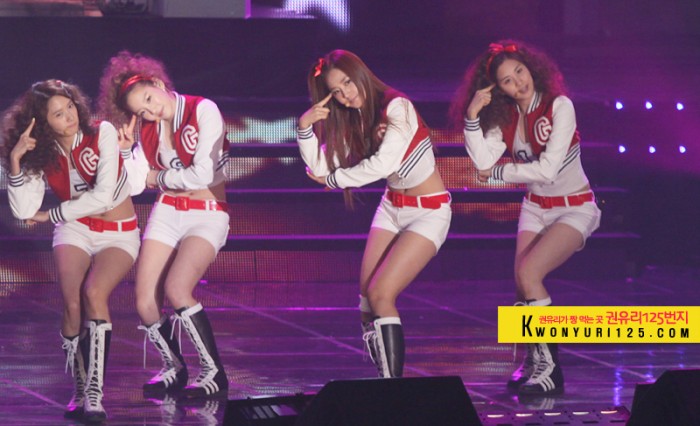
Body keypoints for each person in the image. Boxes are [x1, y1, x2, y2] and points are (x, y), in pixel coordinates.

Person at [450, 40, 602, 396]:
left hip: (574, 206)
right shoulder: (504, 117)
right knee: (521, 283)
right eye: (507, 80)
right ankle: (533, 359)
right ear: (497, 88)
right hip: (535, 206)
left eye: (519, 71)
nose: (518, 82)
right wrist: (472, 117)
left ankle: (551, 369)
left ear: (531, 68)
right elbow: (482, 161)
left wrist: (498, 175)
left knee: (531, 273)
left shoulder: (559, 106)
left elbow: (547, 171)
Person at [298, 50, 452, 378]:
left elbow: (383, 164)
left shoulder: (398, 106)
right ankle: (383, 378)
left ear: (360, 74)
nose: (345, 94)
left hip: (428, 211)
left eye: (348, 82)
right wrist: (305, 129)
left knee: (382, 294)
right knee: (367, 302)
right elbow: (320, 168)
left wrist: (335, 180)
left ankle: (392, 388)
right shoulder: (355, 118)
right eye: (336, 91)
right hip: (393, 207)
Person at [0, 79, 140, 422]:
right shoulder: (42, 154)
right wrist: (16, 161)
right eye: (58, 114)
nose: (69, 116)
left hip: (118, 233)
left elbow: (104, 196)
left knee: (94, 292)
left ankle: (94, 392)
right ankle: (80, 385)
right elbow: (23, 210)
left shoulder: (102, 132)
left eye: (70, 107)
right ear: (43, 122)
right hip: (75, 229)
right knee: (72, 302)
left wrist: (51, 214)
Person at [97, 51, 230, 399]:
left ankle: (214, 372)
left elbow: (202, 174)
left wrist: (158, 177)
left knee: (177, 288)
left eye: (148, 99)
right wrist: (126, 153)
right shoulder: (147, 130)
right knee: (144, 302)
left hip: (207, 212)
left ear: (157, 83)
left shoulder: (202, 109)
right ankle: (174, 366)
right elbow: (137, 185)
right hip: (168, 211)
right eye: (141, 111)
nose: (150, 111)